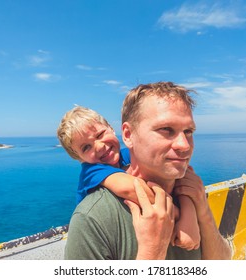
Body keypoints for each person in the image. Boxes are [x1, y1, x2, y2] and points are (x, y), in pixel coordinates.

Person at [63, 82, 232, 259]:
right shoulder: (92, 214)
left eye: (188, 131)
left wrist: (198, 210)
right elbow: (129, 187)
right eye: (166, 129)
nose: (184, 145)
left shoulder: (190, 189)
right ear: (128, 135)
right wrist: (169, 225)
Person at [57, 105, 200, 250]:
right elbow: (130, 188)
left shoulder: (126, 155)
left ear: (111, 128)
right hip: (105, 237)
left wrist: (190, 215)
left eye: (100, 135)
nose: (99, 146)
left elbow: (185, 173)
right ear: (78, 157)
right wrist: (180, 216)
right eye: (86, 147)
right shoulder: (91, 171)